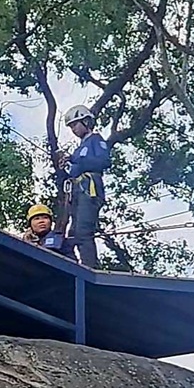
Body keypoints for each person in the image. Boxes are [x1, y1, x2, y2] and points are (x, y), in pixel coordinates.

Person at [61, 105, 111, 269]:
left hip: (90, 190)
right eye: (71, 127)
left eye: (75, 124)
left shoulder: (96, 140)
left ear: (86, 121)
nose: (73, 129)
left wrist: (76, 160)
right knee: (72, 234)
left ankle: (90, 269)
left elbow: (104, 162)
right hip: (77, 191)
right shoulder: (79, 148)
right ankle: (71, 265)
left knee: (82, 232)